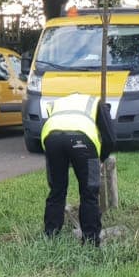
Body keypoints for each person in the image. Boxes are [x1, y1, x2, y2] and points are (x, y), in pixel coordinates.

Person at [40, 92, 117, 243]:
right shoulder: (98, 104)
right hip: (83, 140)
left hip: (51, 139)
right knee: (89, 191)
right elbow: (110, 138)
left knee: (57, 189)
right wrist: (101, 158)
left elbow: (52, 124)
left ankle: (50, 235)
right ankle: (90, 239)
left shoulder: (60, 102)